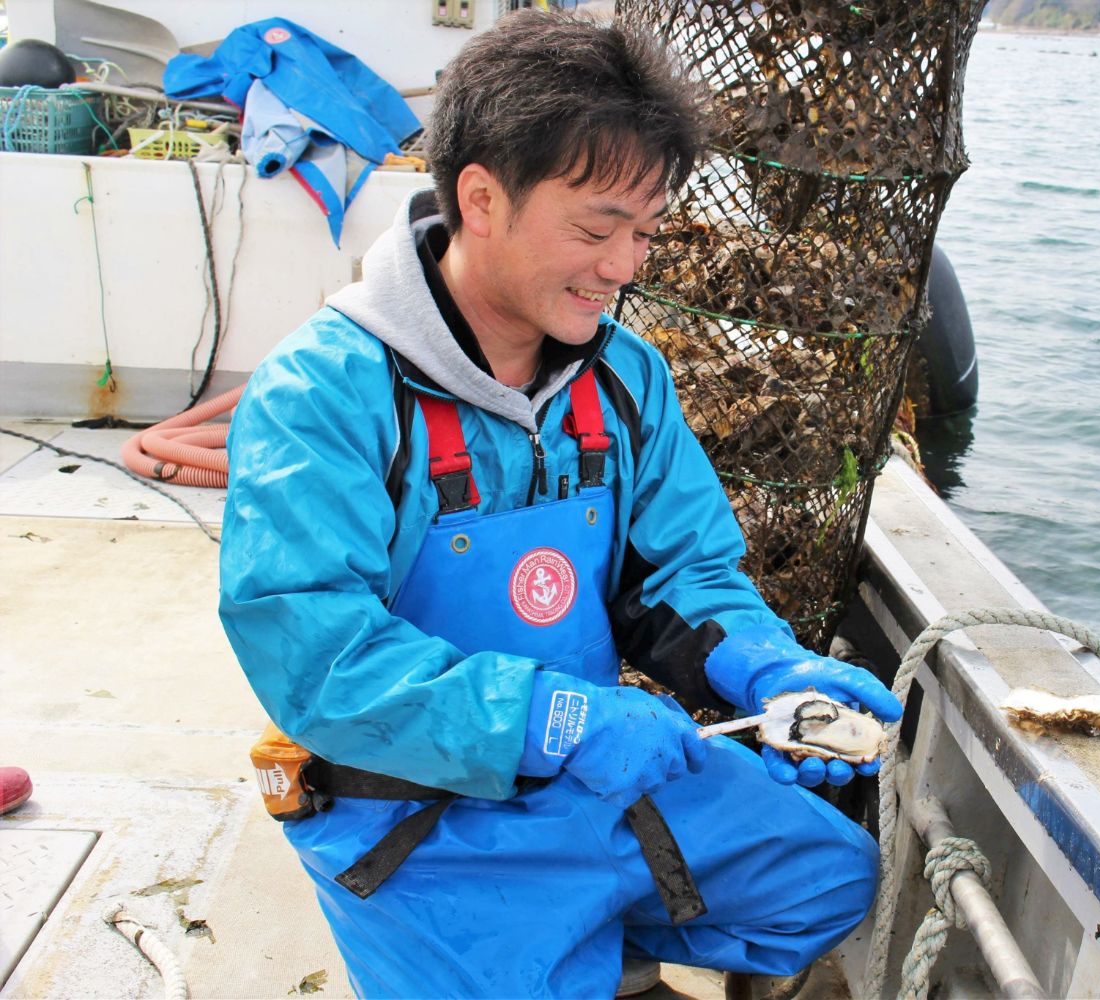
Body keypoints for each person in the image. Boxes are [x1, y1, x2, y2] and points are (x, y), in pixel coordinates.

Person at [218, 11, 902, 999]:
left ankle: (596, 949)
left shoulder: (627, 379)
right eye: (596, 228)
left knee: (829, 880)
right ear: (481, 198)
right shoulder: (320, 396)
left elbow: (681, 575)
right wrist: (557, 718)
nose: (625, 267)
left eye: (644, 231)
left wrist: (759, 666)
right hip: (419, 816)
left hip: (599, 777)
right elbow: (319, 659)